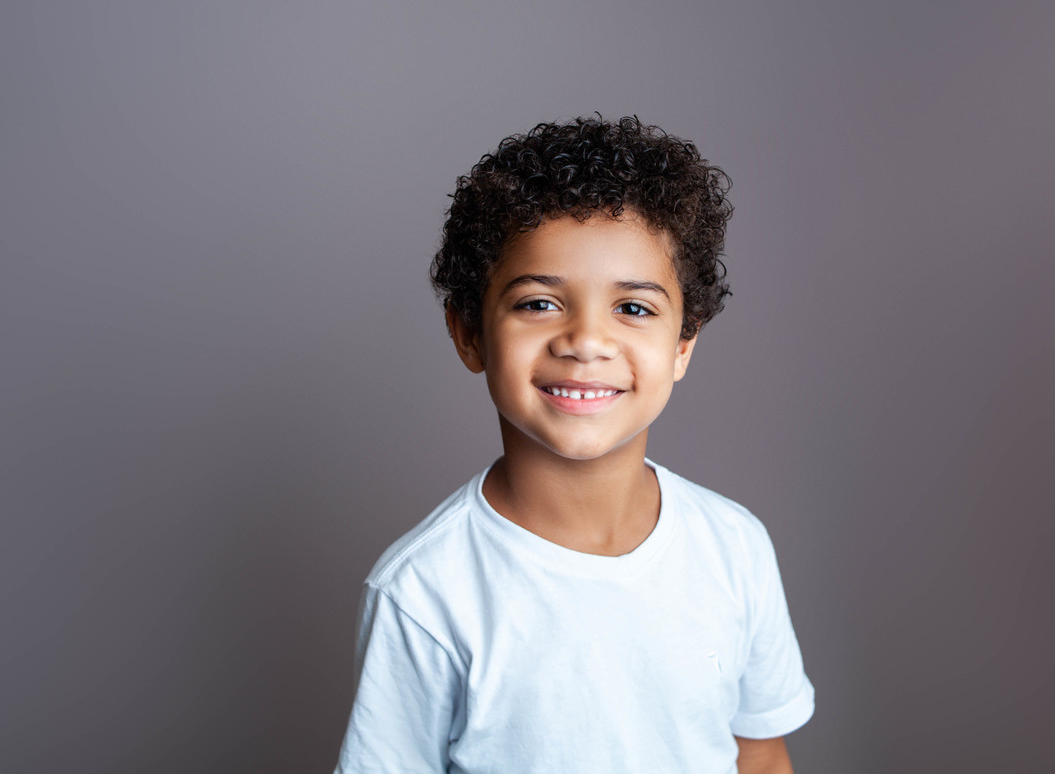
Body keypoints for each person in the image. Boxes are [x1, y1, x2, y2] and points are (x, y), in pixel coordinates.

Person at [333, 116, 814, 774]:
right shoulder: (423, 594)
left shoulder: (735, 549)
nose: (586, 341)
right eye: (538, 303)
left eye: (634, 308)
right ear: (469, 333)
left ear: (683, 344)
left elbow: (759, 757)